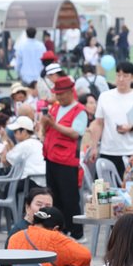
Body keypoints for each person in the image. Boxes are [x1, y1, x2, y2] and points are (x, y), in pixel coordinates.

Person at [41, 75, 87, 238]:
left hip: (67, 159)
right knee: (55, 196)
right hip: (51, 157)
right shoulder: (55, 107)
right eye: (57, 94)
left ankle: (77, 231)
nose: (58, 97)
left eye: (61, 94)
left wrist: (54, 125)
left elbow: (75, 133)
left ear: (70, 92)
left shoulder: (80, 110)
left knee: (70, 197)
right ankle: (60, 228)